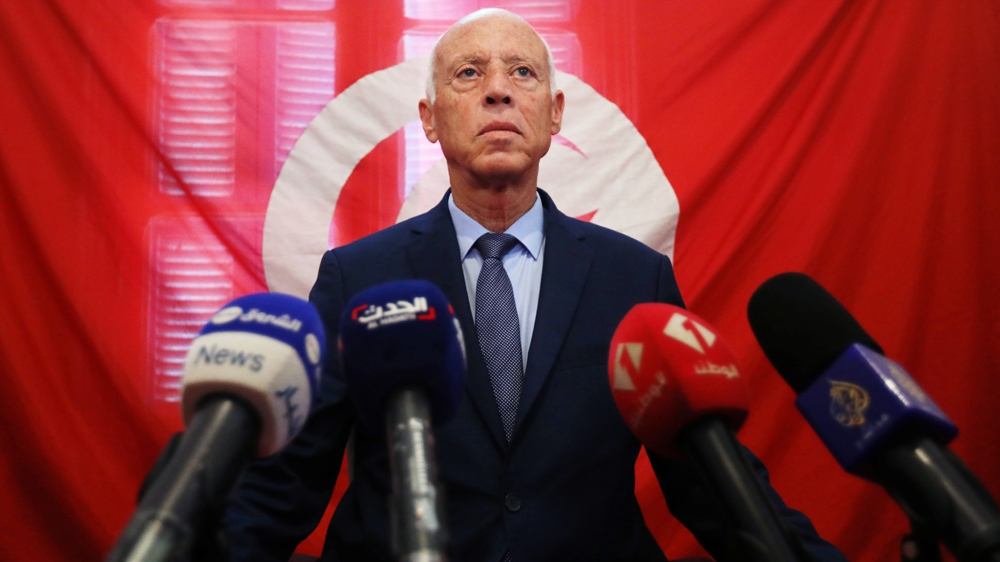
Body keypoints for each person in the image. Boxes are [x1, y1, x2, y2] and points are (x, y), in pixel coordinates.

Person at [224, 9, 847, 562]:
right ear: (431, 119)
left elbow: (714, 487)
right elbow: (284, 484)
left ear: (553, 115)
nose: (498, 90)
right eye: (469, 73)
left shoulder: (635, 278)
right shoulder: (358, 277)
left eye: (522, 72)